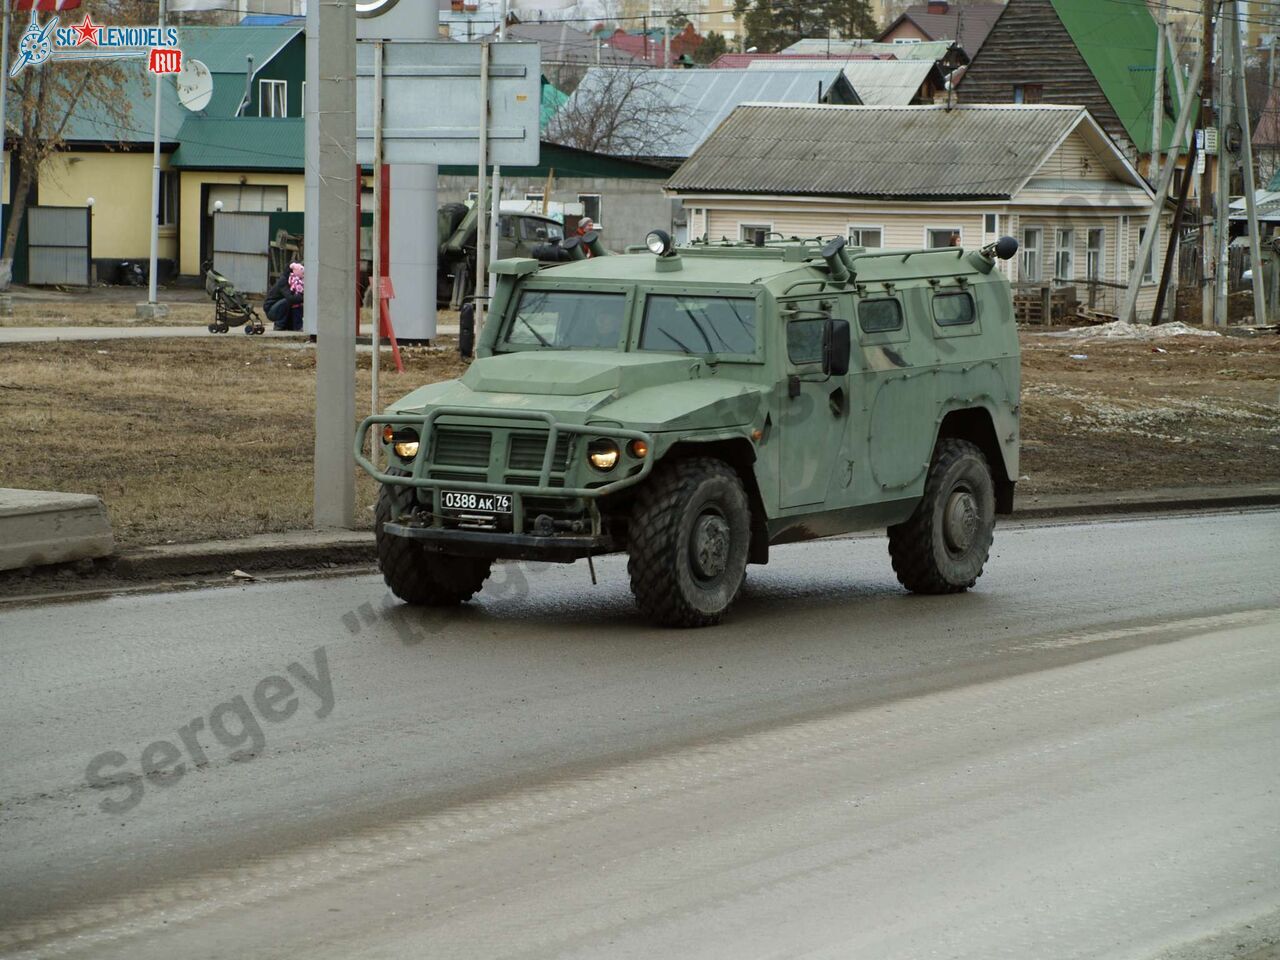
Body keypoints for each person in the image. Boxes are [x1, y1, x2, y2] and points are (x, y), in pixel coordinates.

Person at [265, 262, 304, 331]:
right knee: (288, 301)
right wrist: (303, 297)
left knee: (297, 304)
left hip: (278, 308)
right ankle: (279, 324)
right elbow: (290, 298)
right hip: (271, 311)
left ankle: (291, 325)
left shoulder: (295, 282)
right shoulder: (283, 281)